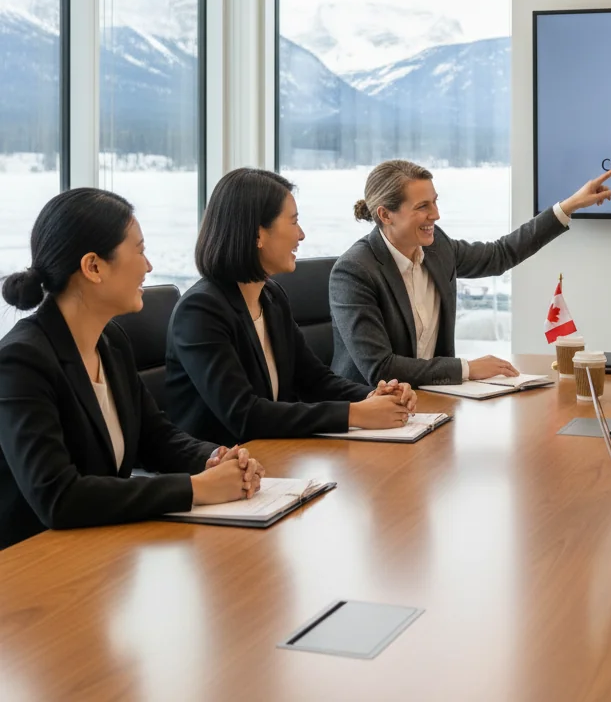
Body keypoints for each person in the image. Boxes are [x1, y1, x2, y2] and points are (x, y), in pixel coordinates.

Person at [0, 188, 263, 550]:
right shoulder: (20, 362)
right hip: (34, 566)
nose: (149, 266)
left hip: (102, 551)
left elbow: (157, 438)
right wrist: (196, 488)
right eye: (139, 250)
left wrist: (213, 459)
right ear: (93, 267)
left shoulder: (112, 342)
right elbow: (58, 496)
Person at [165, 169, 417, 446]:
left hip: (273, 455)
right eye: (293, 222)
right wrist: (354, 414)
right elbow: (244, 414)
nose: (301, 234)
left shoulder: (271, 297)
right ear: (257, 234)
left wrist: (374, 396)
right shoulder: (200, 311)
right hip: (220, 469)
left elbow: (315, 380)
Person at [331, 160, 611, 387]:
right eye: (423, 207)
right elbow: (380, 368)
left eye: (435, 201)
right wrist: (467, 368)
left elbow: (499, 255)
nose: (436, 214)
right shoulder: (354, 272)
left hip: (432, 402)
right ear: (385, 215)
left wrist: (569, 206)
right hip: (370, 414)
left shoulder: (436, 247)